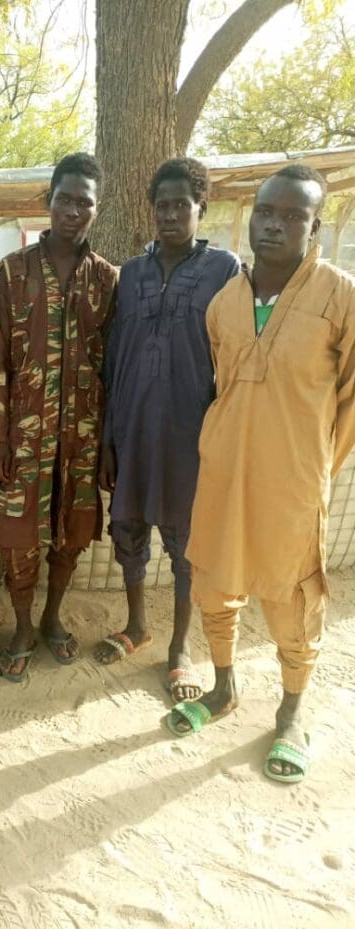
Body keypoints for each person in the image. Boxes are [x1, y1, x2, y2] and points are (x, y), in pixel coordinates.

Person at [167, 165, 355, 783]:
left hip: (294, 483)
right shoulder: (224, 303)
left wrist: (315, 463)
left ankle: (291, 713)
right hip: (222, 472)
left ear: (315, 227)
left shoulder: (340, 297)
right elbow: (222, 386)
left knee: (292, 596)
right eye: (265, 212)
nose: (273, 223)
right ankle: (222, 689)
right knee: (216, 583)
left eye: (291, 214)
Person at [94, 158, 240, 702]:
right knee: (128, 528)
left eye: (183, 204)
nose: (172, 214)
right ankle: (137, 625)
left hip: (190, 434)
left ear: (201, 207)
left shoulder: (225, 270)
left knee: (185, 544)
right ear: (150, 211)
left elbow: (234, 353)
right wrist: (110, 437)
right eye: (163, 205)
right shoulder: (130, 274)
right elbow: (114, 358)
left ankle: (180, 647)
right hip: (132, 427)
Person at [0, 152, 118, 681]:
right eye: (64, 198)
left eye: (84, 202)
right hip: (23, 434)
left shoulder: (107, 279)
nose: (73, 209)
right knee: (19, 531)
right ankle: (20, 624)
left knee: (73, 528)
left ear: (95, 208)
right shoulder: (12, 272)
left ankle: (52, 617)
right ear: (49, 201)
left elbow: (113, 365)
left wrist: (107, 442)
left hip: (82, 436)